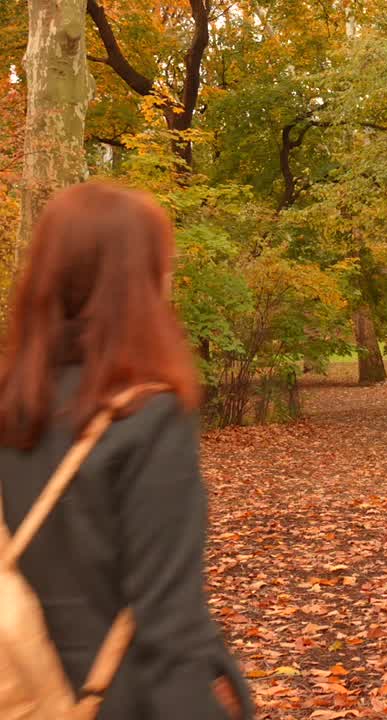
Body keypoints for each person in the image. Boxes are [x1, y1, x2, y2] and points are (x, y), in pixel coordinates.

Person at [0, 182, 252, 720]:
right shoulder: (146, 417)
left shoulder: (11, 407)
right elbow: (169, 626)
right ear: (137, 283)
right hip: (112, 699)